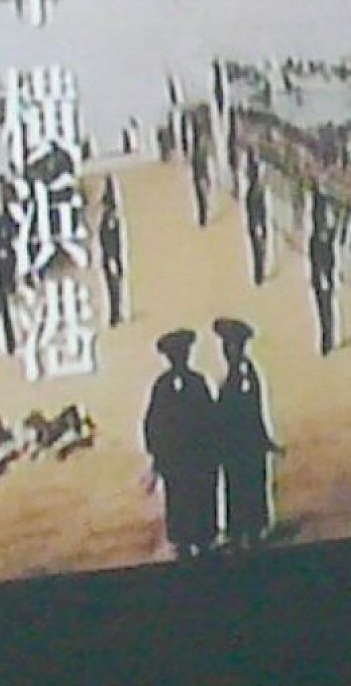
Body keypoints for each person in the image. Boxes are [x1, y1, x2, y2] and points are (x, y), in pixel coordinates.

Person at [141, 328, 220, 561]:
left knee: (201, 501)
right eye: (175, 355)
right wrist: (158, 455)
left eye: (183, 354)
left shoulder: (198, 382)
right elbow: (153, 423)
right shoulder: (162, 386)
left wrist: (211, 451)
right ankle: (183, 543)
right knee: (179, 503)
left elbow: (210, 418)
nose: (180, 359)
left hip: (199, 459)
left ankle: (204, 542)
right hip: (176, 462)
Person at [210, 317, 280, 548]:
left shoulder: (244, 374)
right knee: (236, 486)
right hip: (235, 445)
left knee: (247, 484)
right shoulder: (236, 373)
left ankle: (251, 529)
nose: (225, 351)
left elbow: (250, 411)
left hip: (244, 444)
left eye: (229, 346)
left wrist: (262, 440)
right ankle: (239, 529)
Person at [306, 196, 340, 354]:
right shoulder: (317, 241)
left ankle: (328, 339)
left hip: (324, 279)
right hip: (321, 279)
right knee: (324, 310)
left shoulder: (321, 239)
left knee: (327, 309)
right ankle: (327, 339)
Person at [97, 180, 128, 326]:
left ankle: (115, 313)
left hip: (110, 259)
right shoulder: (109, 222)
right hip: (110, 259)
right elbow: (111, 242)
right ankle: (115, 314)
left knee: (114, 288)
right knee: (114, 288)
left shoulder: (108, 222)